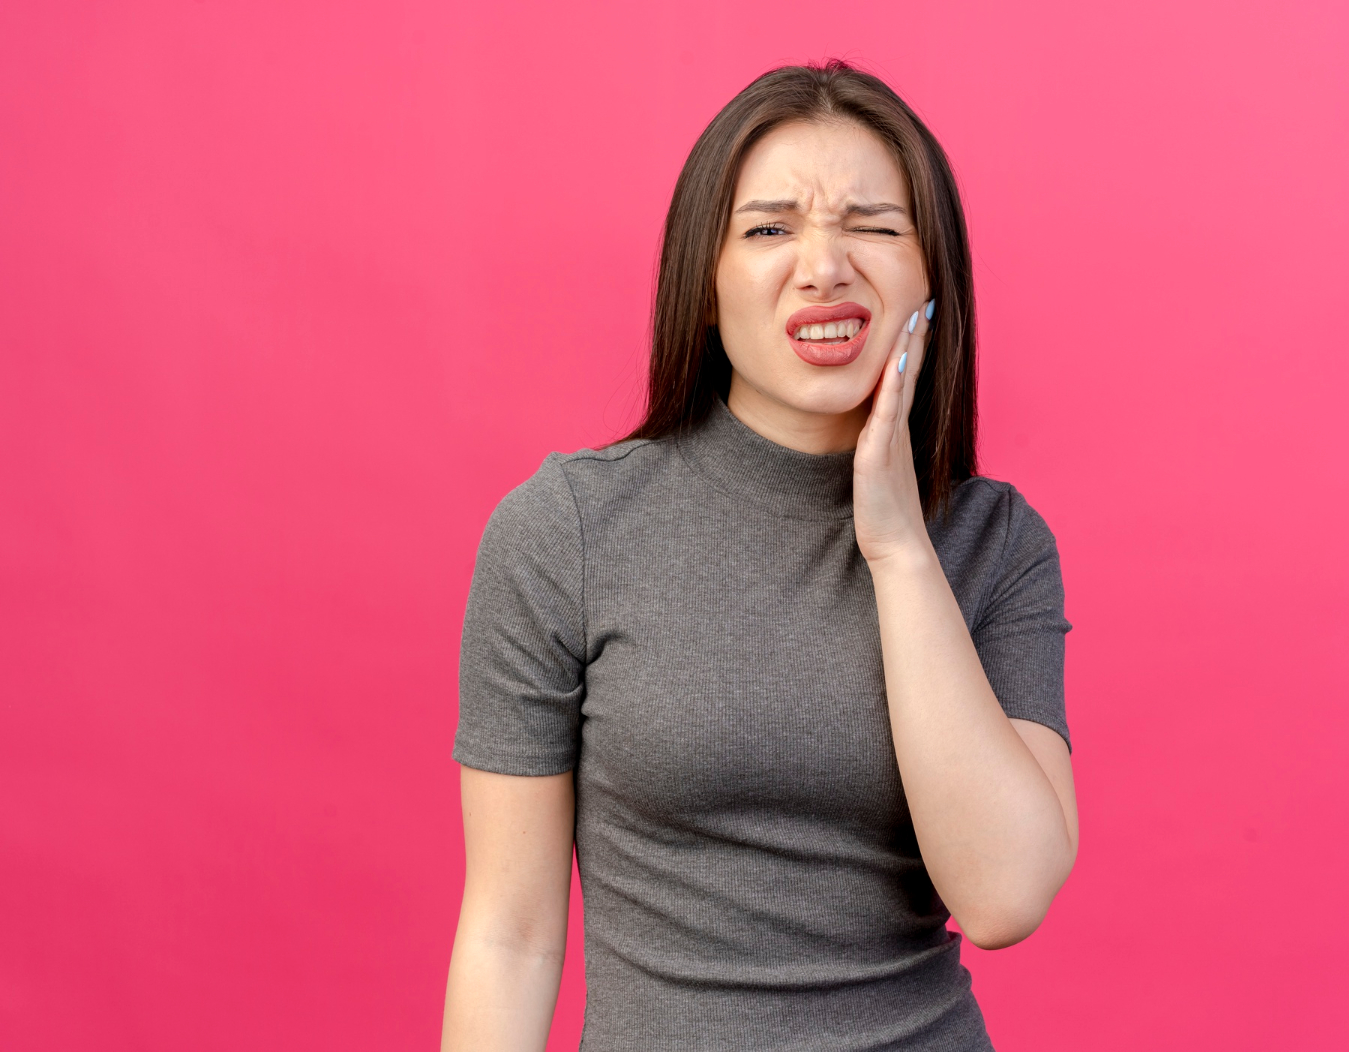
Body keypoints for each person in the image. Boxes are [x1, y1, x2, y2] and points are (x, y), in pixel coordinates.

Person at [440, 60, 1079, 1052]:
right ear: (704, 284)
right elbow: (509, 934)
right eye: (770, 229)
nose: (823, 265)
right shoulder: (562, 529)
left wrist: (900, 548)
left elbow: (1004, 894)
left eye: (871, 224)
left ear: (931, 274)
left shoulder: (994, 542)